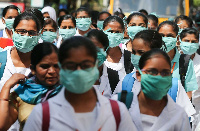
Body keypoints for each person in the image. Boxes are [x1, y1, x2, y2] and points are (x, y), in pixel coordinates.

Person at [23, 36, 137, 131]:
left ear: (96, 66)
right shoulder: (42, 115)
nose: (78, 72)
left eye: (85, 65)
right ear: (61, 68)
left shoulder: (117, 112)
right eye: (71, 66)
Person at [114, 30, 195, 119]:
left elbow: (185, 119)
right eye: (133, 52)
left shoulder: (173, 86)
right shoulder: (126, 81)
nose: (136, 56)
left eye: (141, 53)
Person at [115, 49, 191, 130]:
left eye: (165, 73)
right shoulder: (119, 105)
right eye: (152, 72)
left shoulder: (179, 116)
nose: (158, 77)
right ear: (138, 75)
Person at [0, 42, 62, 131]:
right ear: (33, 69)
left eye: (57, 66)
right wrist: (7, 87)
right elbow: (2, 126)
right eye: (45, 66)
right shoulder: (20, 95)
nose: (52, 71)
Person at [0, 12, 42, 92]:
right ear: (12, 33)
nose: (26, 36)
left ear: (38, 36)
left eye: (32, 33)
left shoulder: (43, 63)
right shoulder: (1, 60)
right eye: (21, 31)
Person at [158, 21, 198, 99]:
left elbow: (188, 93)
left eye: (170, 36)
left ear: (177, 38)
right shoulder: (149, 59)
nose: (165, 39)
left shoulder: (185, 62)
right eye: (162, 35)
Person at [99, 16, 133, 98]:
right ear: (102, 31)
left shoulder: (129, 58)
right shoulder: (97, 57)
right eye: (110, 31)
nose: (113, 35)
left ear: (123, 33)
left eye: (117, 32)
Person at [178, 28, 200, 130]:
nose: (190, 44)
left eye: (193, 42)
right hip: (176, 110)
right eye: (187, 41)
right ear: (180, 40)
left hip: (197, 112)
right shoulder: (173, 60)